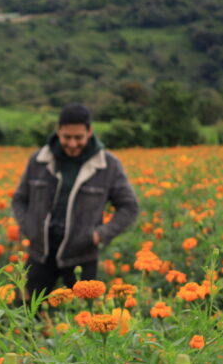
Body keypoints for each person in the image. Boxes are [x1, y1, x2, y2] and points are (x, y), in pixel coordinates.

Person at [11, 104, 139, 304]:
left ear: (89, 132)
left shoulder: (108, 165)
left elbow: (129, 207)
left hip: (82, 253)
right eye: (66, 137)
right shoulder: (39, 160)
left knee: (85, 314)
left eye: (78, 137)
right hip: (40, 252)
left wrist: (99, 235)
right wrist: (28, 227)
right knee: (24, 310)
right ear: (58, 131)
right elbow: (19, 198)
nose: (72, 143)